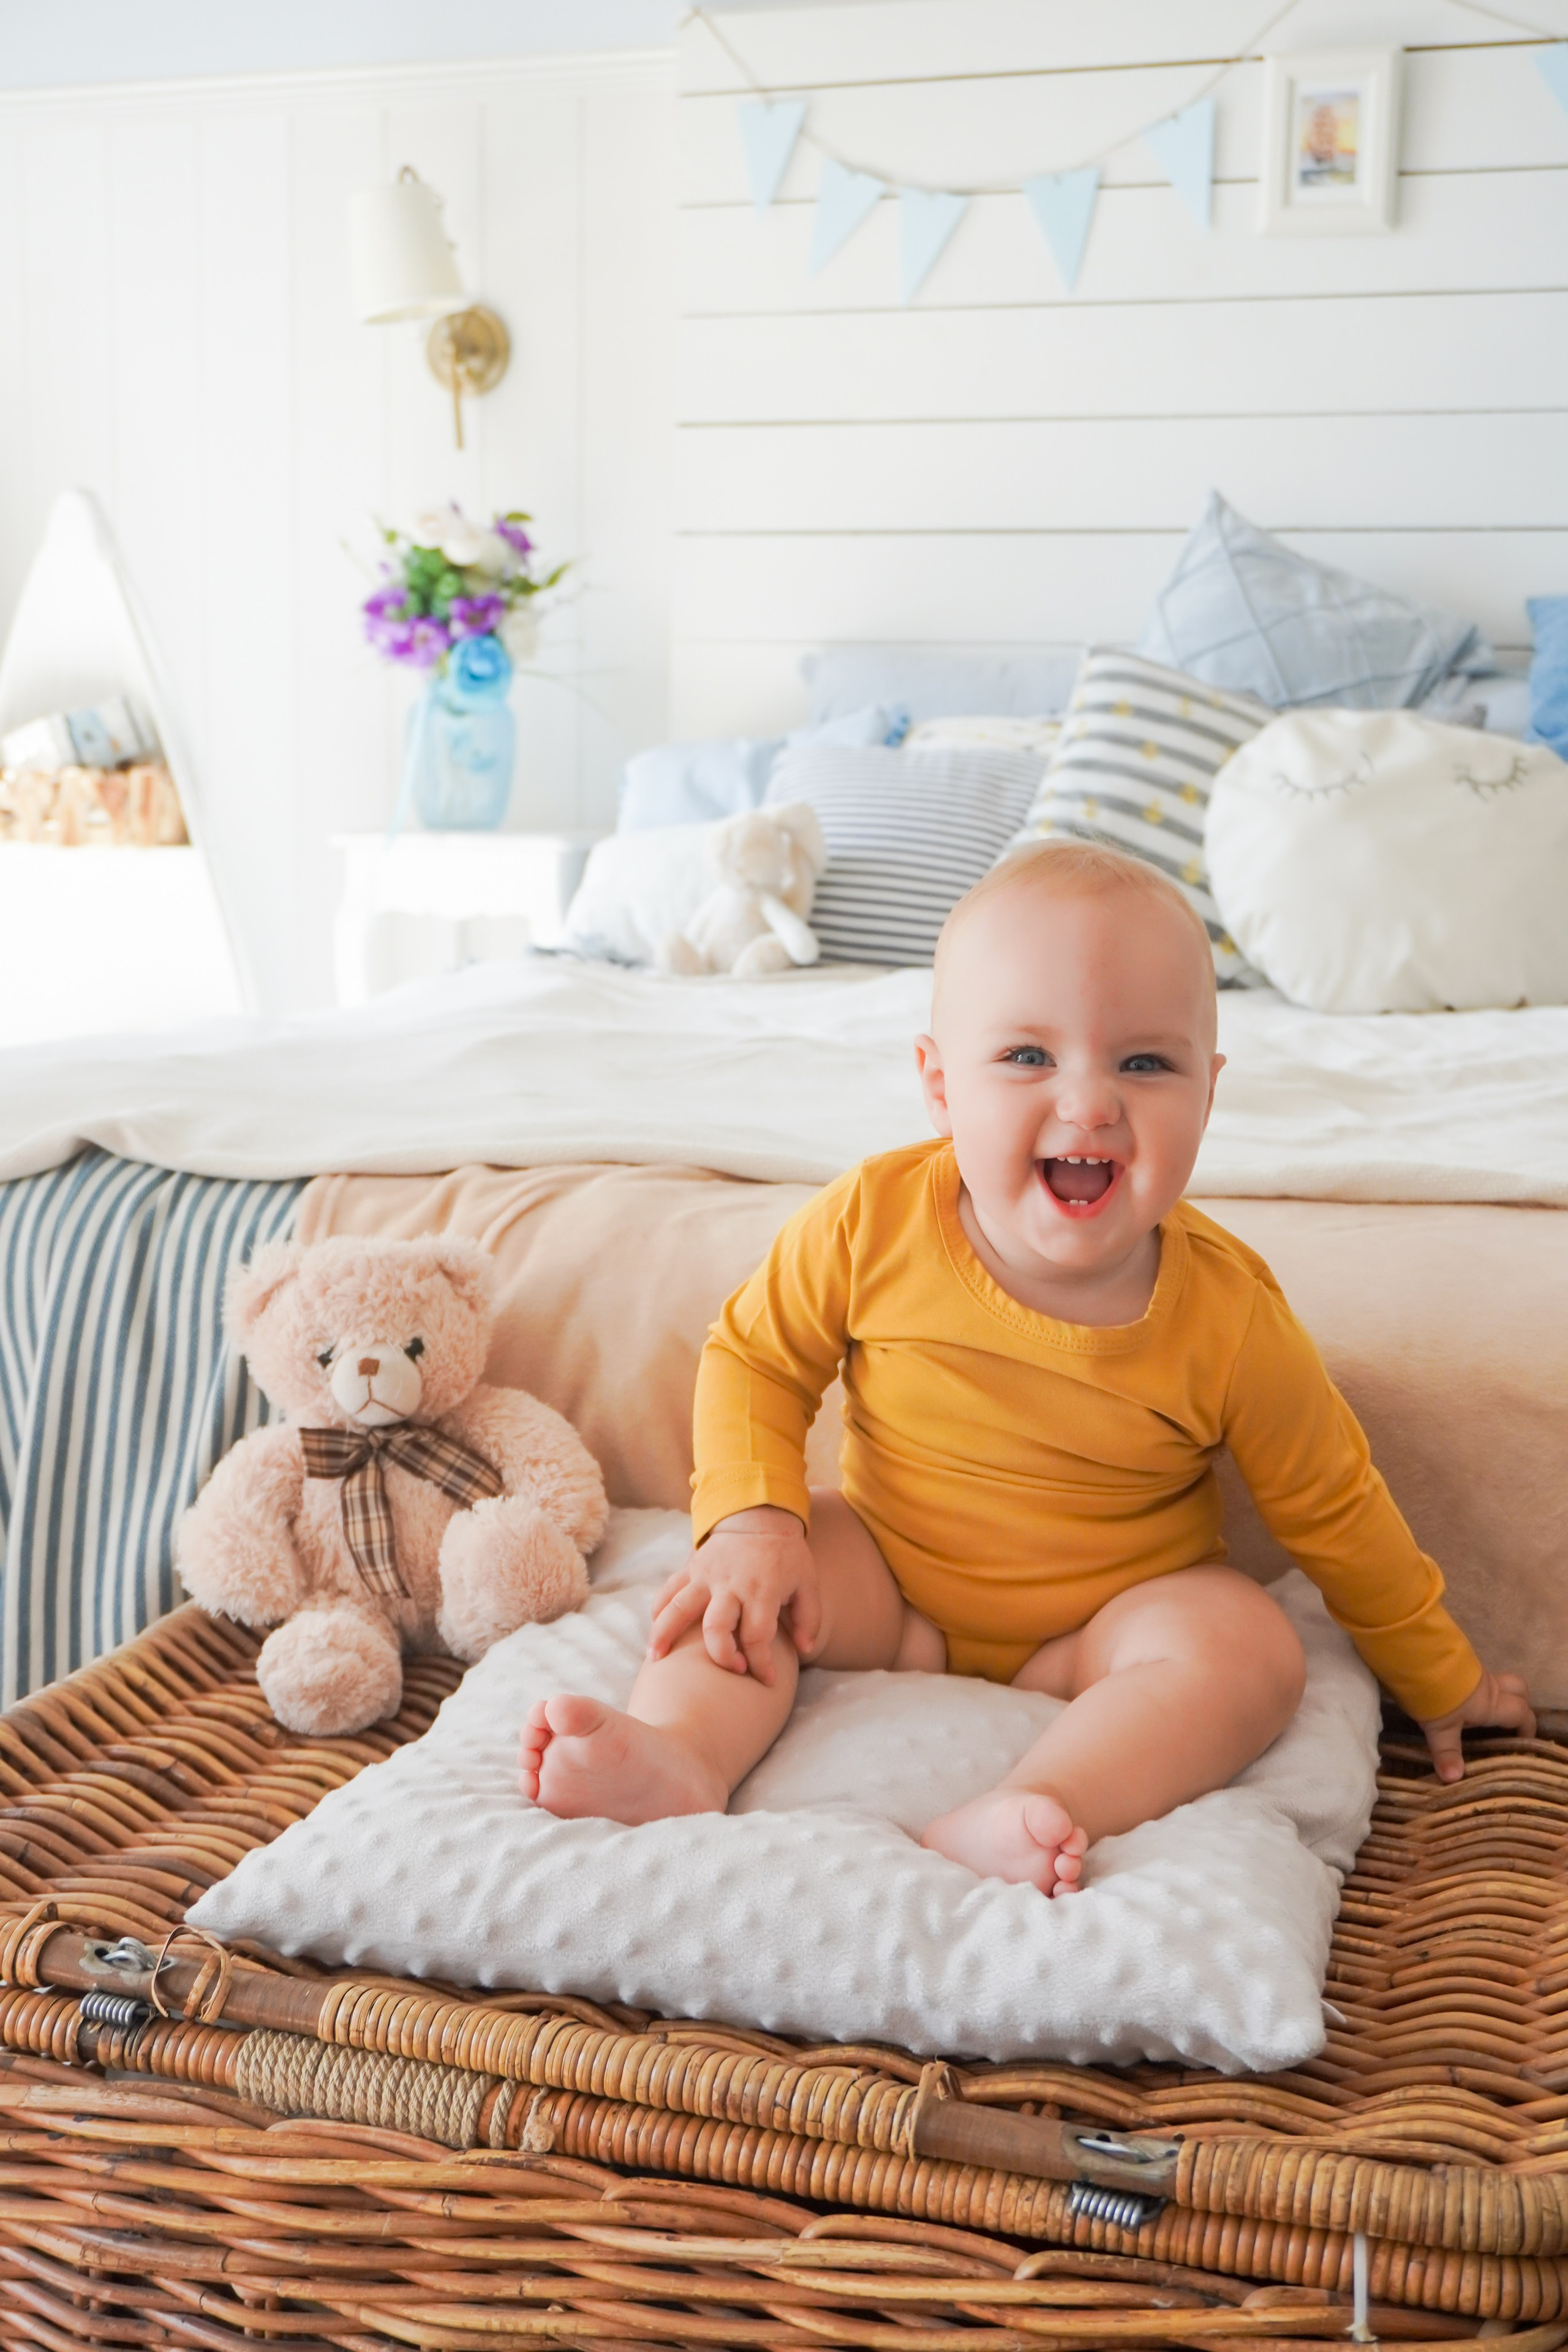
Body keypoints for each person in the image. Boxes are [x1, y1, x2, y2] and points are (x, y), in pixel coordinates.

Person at [521, 842, 1533, 1893]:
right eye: (1026, 1058)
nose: (1090, 1103)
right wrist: (752, 1522)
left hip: (1103, 1625)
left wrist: (1442, 1678)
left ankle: (1038, 1803)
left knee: (1252, 1647)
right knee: (739, 1588)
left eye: (1146, 1063)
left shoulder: (1230, 1317)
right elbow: (756, 1358)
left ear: (1209, 1090)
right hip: (884, 1577)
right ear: (939, 1086)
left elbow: (1337, 1510)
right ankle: (682, 1754)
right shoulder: (872, 1219)